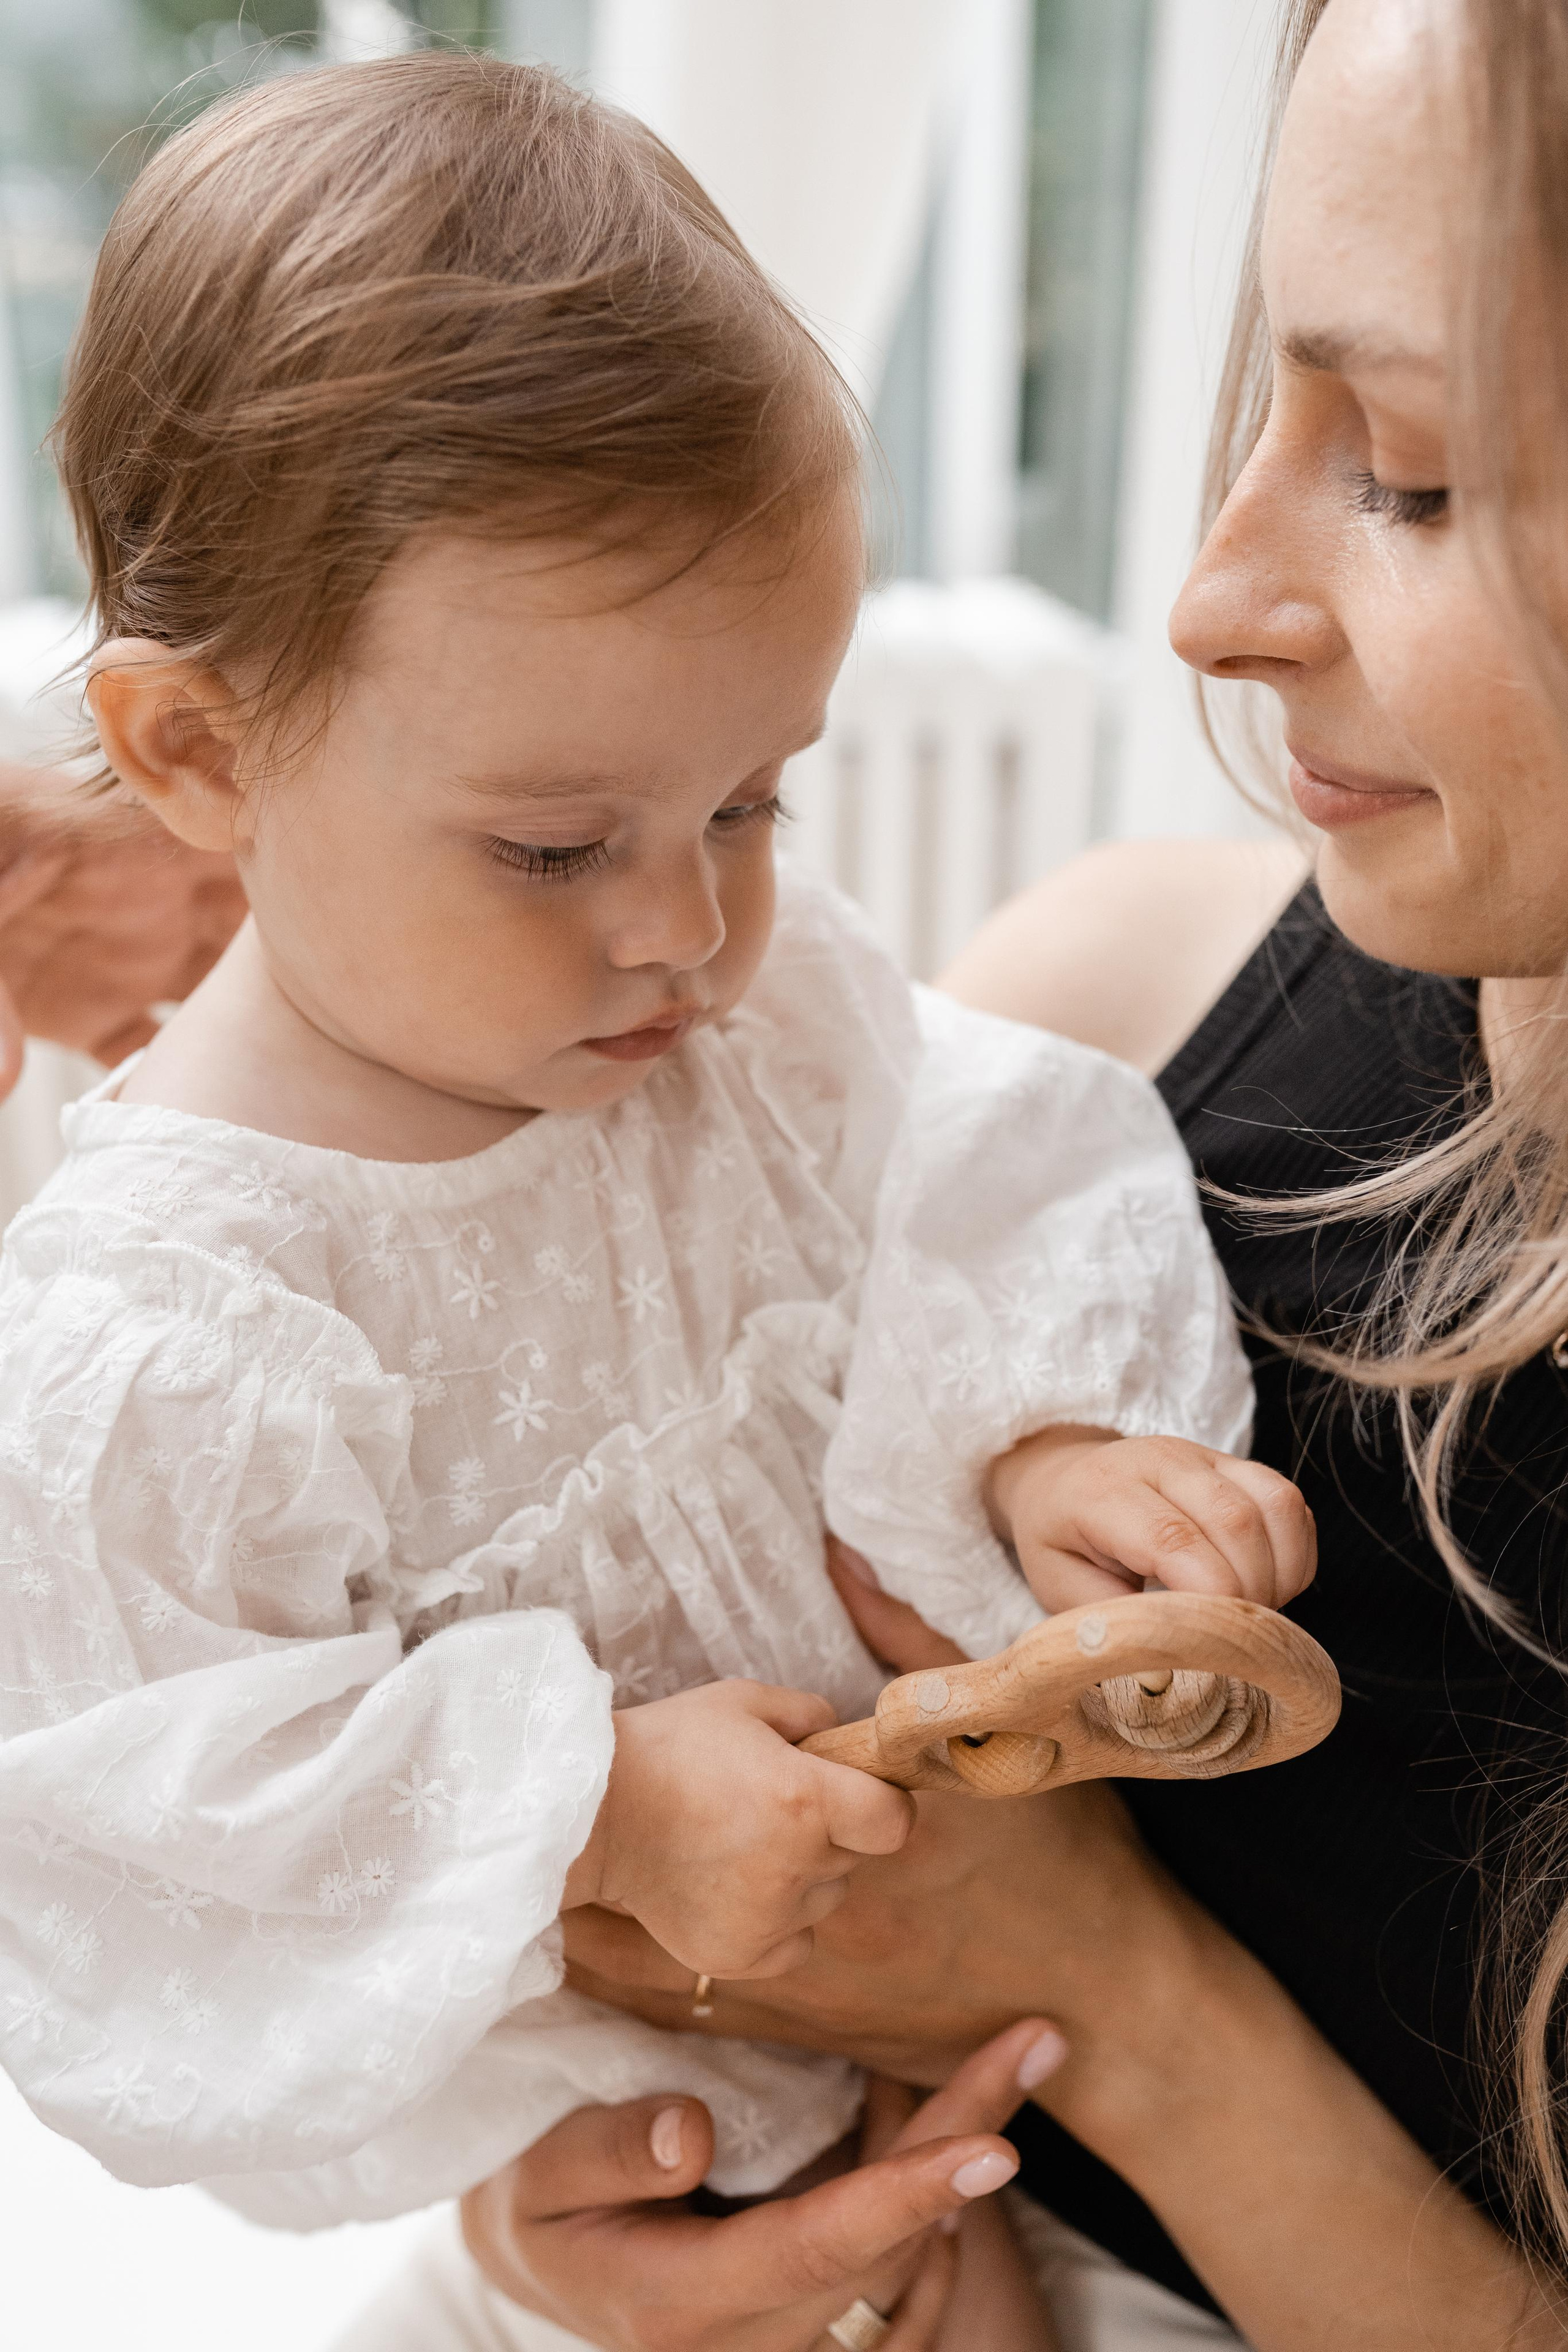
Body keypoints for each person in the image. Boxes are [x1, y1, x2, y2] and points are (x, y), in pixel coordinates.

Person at [0, 50, 1317, 2352]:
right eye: (553, 848)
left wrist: (1042, 1437)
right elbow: (128, 1825)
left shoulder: (754, 1017)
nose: (689, 930)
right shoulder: (160, 1331)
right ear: (200, 751)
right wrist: (591, 1807)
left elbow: (984, 1146)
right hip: (636, 2196)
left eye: (752, 801)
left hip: (1010, 2074)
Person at [432, 0, 1568, 2345]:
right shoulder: (1088, 1044)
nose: (1209, 605)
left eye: (1415, 476)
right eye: (1275, 402)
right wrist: (606, 2188)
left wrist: (1109, 1997)